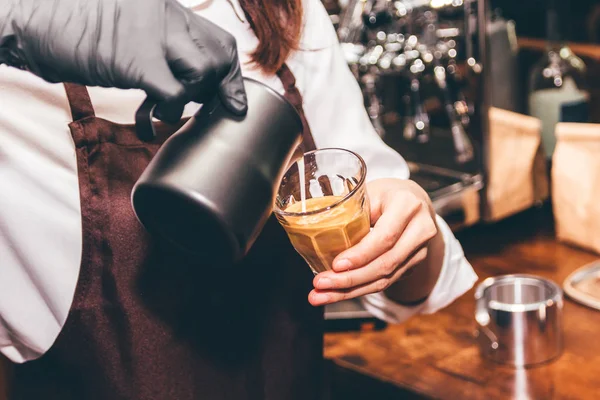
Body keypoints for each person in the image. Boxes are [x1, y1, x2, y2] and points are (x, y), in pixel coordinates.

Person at [0, 0, 477, 398]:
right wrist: (17, 23)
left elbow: (412, 286)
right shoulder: (19, 62)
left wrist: (411, 220)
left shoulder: (277, 11)